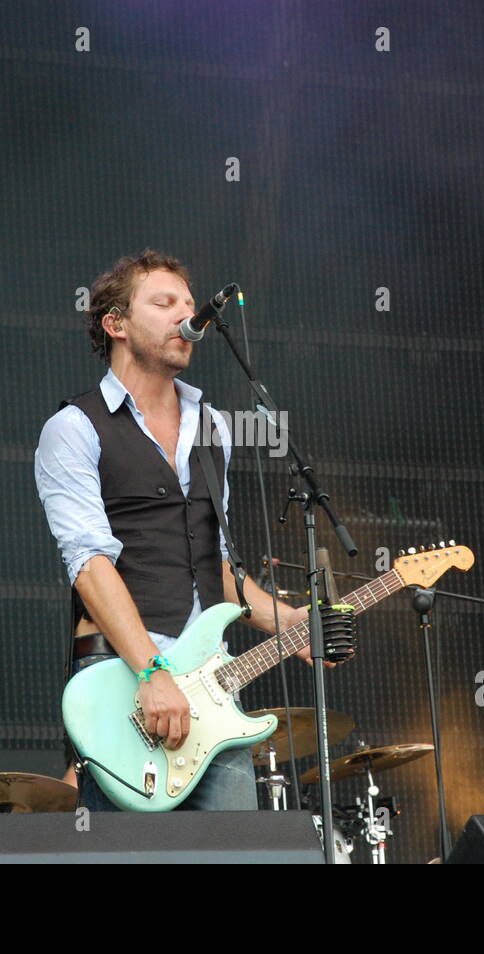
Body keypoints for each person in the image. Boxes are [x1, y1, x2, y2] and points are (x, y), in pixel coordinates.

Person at [36, 248, 326, 812]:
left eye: (189, 306)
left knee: (228, 854)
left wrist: (289, 622)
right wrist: (153, 670)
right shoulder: (73, 429)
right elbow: (90, 564)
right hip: (125, 684)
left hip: (212, 692)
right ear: (115, 324)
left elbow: (211, 563)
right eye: (164, 303)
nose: (185, 318)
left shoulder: (213, 426)